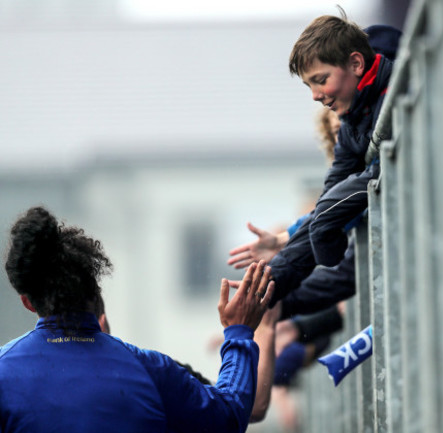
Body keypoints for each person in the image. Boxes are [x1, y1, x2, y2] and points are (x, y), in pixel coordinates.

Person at [0, 206, 274, 433]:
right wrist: (238, 332)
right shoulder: (152, 370)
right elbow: (228, 417)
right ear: (94, 289)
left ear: (27, 302)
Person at [266, 15, 399, 306]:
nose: (315, 96)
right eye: (308, 86)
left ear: (355, 64)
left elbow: (386, 170)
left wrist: (326, 221)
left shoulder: (399, 93)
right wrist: (268, 286)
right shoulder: (352, 125)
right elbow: (328, 204)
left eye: (321, 80)